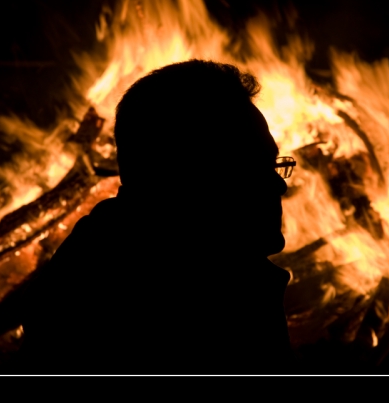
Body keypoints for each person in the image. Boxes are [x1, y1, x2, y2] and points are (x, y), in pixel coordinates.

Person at [19, 60, 295, 374]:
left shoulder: (235, 276)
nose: (278, 184)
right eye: (250, 166)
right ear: (183, 174)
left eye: (274, 165)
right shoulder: (191, 300)